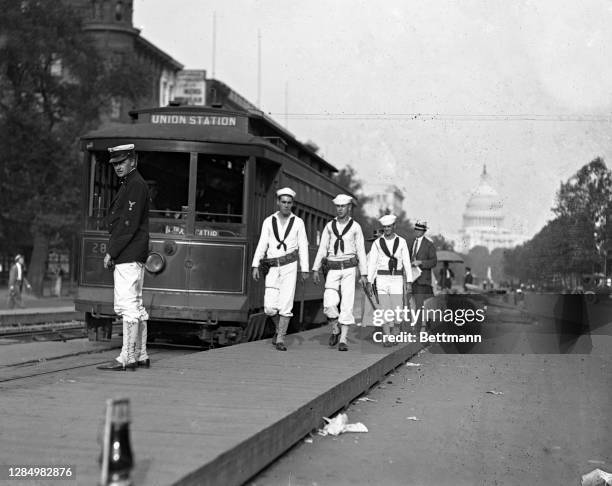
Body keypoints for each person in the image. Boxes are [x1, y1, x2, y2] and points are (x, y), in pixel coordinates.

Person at [97, 144, 151, 371]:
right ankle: (140, 354)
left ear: (133, 160)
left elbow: (128, 224)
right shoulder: (133, 183)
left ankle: (126, 358)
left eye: (122, 162)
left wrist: (112, 251)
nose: (118, 167)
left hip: (128, 253)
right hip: (134, 253)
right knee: (136, 305)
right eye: (115, 164)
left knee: (126, 305)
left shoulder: (135, 185)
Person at [252, 187, 309, 351]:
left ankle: (280, 339)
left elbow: (303, 246)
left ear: (293, 204)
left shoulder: (298, 222)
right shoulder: (268, 221)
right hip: (272, 267)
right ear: (278, 202)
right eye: (283, 202)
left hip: (290, 266)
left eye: (289, 203)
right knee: (269, 307)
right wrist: (256, 264)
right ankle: (278, 329)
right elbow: (262, 243)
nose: (286, 205)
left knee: (286, 303)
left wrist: (305, 269)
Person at [312, 194, 368, 352]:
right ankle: (335, 329)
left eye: (343, 206)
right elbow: (322, 248)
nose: (340, 209)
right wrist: (315, 268)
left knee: (347, 303)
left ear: (349, 207)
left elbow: (361, 251)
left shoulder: (356, 227)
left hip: (349, 268)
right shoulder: (329, 226)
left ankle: (343, 339)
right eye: (338, 206)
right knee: (329, 302)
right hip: (333, 268)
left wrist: (363, 274)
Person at [366, 214, 413, 346]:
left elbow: (407, 263)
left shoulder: (402, 242)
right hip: (381, 278)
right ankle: (387, 336)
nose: (386, 229)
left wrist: (409, 281)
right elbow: (373, 264)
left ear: (394, 226)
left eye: (389, 226)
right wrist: (370, 281)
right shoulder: (377, 243)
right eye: (385, 227)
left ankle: (395, 332)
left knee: (397, 307)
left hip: (396, 278)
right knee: (384, 308)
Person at [409, 220, 437, 329]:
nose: (417, 231)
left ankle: (418, 328)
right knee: (411, 304)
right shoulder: (411, 242)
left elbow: (433, 262)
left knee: (420, 305)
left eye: (420, 230)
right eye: (416, 229)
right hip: (412, 278)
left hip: (422, 280)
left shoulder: (429, 245)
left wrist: (421, 263)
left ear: (424, 231)